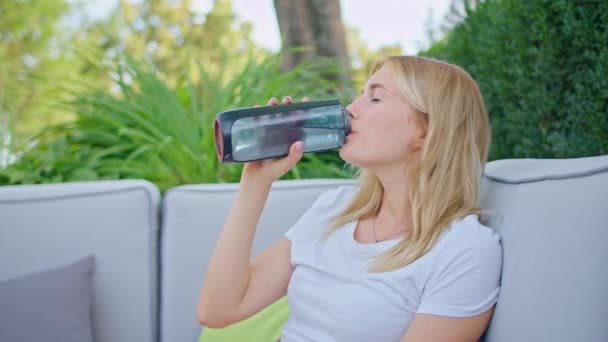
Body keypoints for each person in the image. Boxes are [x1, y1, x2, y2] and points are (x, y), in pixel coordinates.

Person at [197, 55, 503, 342]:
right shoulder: (335, 208)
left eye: (375, 97)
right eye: (360, 94)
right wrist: (255, 183)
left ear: (427, 130)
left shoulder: (463, 249)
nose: (351, 109)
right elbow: (218, 310)